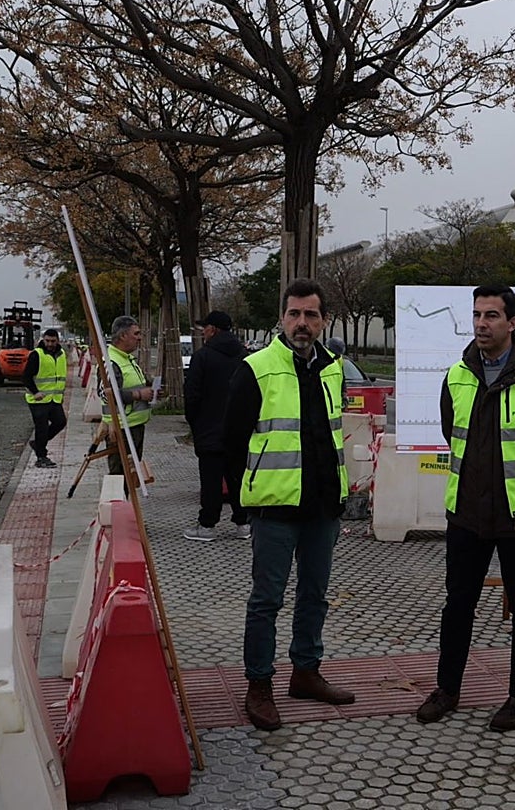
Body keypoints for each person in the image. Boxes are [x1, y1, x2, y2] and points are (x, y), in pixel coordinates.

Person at [415, 285, 515, 732]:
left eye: (492, 315)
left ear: (512, 322)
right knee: (458, 604)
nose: (481, 323)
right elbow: (449, 431)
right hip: (466, 515)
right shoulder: (457, 375)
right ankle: (447, 689)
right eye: (477, 314)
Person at [226, 279, 355, 731]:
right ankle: (259, 683)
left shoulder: (333, 368)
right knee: (266, 600)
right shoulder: (256, 367)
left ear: (323, 321)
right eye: (295, 314)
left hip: (323, 508)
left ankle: (306, 671)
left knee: (315, 595)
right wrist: (240, 502)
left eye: (312, 315)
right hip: (275, 508)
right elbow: (232, 441)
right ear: (282, 318)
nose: (303, 323)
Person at [183, 310, 250, 542]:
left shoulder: (202, 357)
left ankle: (207, 525)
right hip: (239, 432)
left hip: (209, 431)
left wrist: (195, 423)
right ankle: (243, 523)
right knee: (238, 477)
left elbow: (191, 394)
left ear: (213, 330)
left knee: (210, 481)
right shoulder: (245, 356)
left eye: (205, 328)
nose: (203, 332)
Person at [100, 315, 155, 480]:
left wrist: (151, 390)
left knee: (131, 475)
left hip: (135, 425)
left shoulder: (128, 359)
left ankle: (128, 503)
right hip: (121, 427)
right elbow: (106, 393)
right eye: (136, 334)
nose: (139, 338)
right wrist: (139, 394)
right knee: (119, 475)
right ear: (123, 335)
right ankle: (118, 504)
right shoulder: (111, 361)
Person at [23, 328, 68, 469]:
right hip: (38, 400)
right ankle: (41, 457)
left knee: (60, 422)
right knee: (41, 428)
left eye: (53, 341)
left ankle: (38, 443)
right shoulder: (37, 355)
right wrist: (35, 392)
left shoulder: (61, 354)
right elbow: (26, 377)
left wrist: (61, 395)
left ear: (57, 341)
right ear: (43, 339)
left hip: (54, 399)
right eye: (47, 341)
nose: (49, 344)